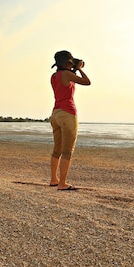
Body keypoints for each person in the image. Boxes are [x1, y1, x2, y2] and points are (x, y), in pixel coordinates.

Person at [49, 50, 91, 191]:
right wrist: (78, 69)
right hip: (68, 113)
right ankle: (62, 184)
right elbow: (87, 82)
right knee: (67, 151)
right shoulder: (68, 74)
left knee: (57, 149)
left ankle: (54, 179)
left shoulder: (54, 76)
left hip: (55, 113)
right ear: (68, 63)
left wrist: (74, 68)